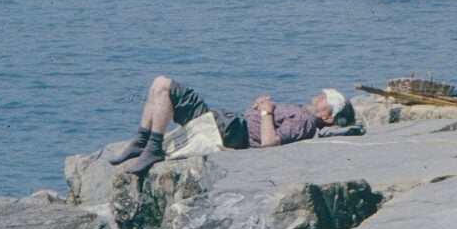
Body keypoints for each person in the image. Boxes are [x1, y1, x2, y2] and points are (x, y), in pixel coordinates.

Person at [112, 77, 352, 173]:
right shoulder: (303, 113)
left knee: (165, 86)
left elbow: (270, 142)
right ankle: (142, 141)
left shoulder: (305, 121)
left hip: (229, 130)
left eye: (326, 100)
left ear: (328, 117)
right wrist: (260, 108)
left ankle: (151, 147)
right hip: (229, 125)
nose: (321, 97)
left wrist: (266, 110)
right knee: (159, 85)